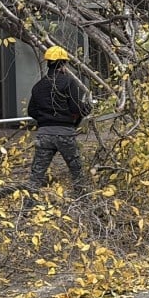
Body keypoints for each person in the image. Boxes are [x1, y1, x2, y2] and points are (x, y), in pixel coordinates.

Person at [27, 46, 92, 191]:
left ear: (48, 63)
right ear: (63, 64)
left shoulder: (38, 86)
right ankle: (85, 205)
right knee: (77, 174)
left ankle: (27, 208)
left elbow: (31, 111)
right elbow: (77, 108)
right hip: (65, 134)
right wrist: (86, 109)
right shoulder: (68, 82)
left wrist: (45, 119)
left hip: (44, 135)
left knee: (36, 176)